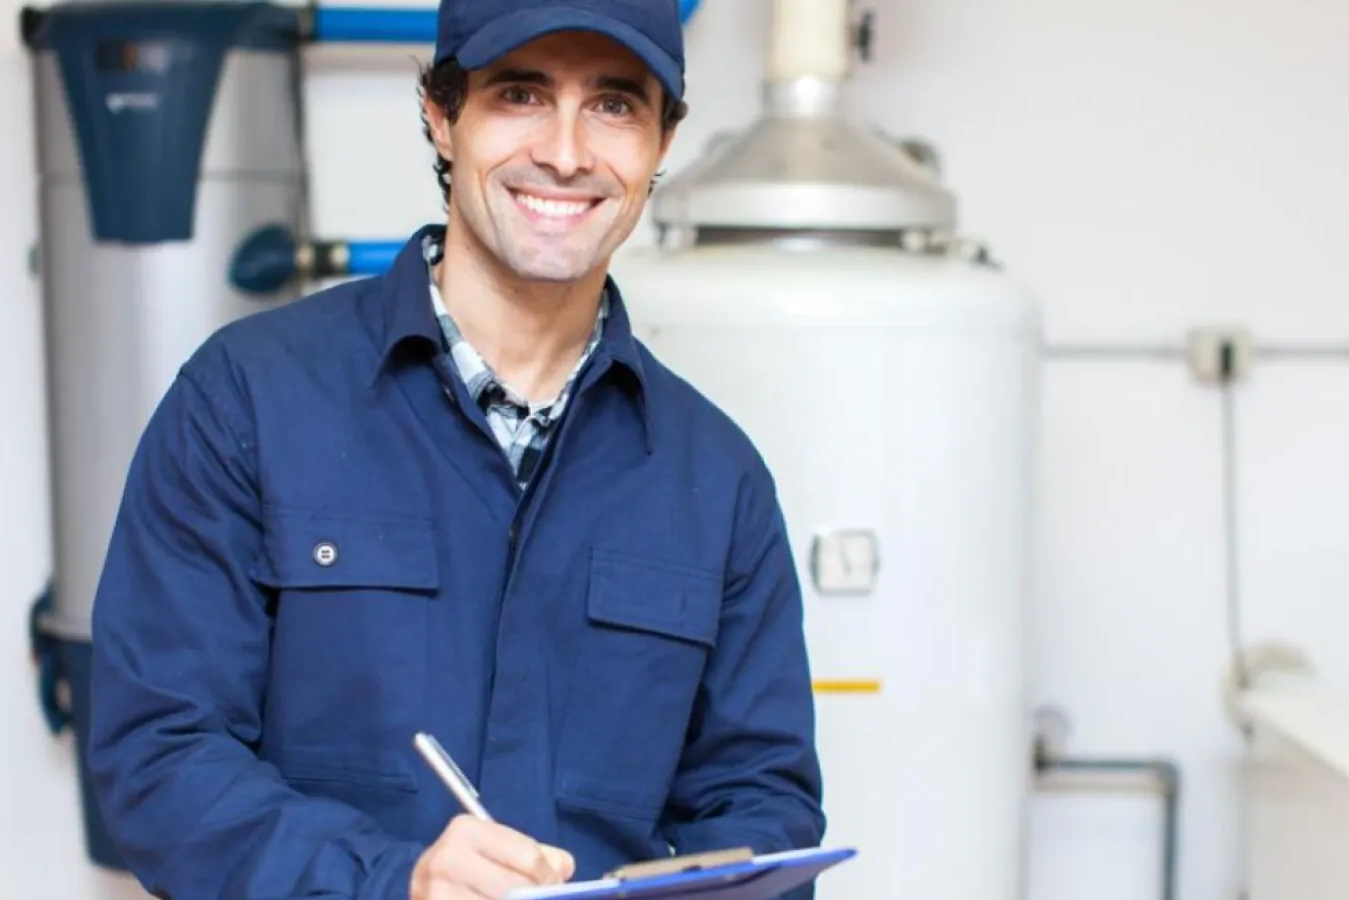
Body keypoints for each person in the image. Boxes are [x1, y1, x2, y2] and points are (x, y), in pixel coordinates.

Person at [84, 0, 827, 898]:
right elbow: (158, 759)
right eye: (521, 94)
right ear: (443, 116)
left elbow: (759, 810)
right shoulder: (247, 400)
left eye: (615, 105)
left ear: (661, 144)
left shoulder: (718, 480)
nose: (565, 151)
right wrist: (393, 883)